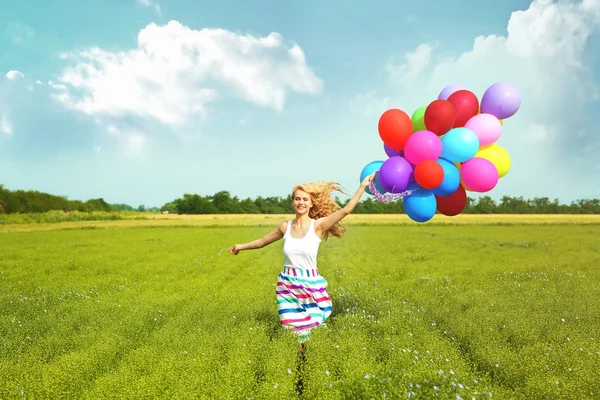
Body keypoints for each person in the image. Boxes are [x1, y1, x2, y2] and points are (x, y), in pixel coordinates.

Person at [228, 172, 377, 342]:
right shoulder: (285, 227)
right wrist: (240, 247)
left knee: (312, 331)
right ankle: (296, 358)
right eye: (297, 199)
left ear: (311, 203)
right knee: (290, 328)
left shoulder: (318, 226)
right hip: (287, 285)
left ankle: (310, 357)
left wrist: (363, 186)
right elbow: (262, 242)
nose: (301, 202)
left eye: (305, 199)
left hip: (310, 286)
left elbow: (346, 210)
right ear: (292, 202)